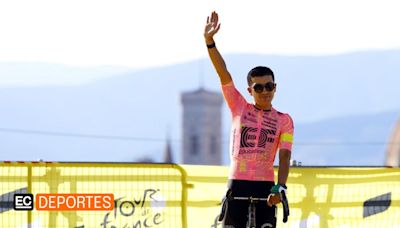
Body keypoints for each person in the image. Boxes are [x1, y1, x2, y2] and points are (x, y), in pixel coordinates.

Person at [204, 11, 294, 228]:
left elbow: (284, 156)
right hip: (238, 183)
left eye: (269, 86)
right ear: (250, 90)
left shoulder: (284, 120)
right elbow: (224, 74)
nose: (265, 91)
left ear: (275, 87)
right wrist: (210, 42)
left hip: (266, 186)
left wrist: (280, 188)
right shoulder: (239, 107)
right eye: (259, 87)